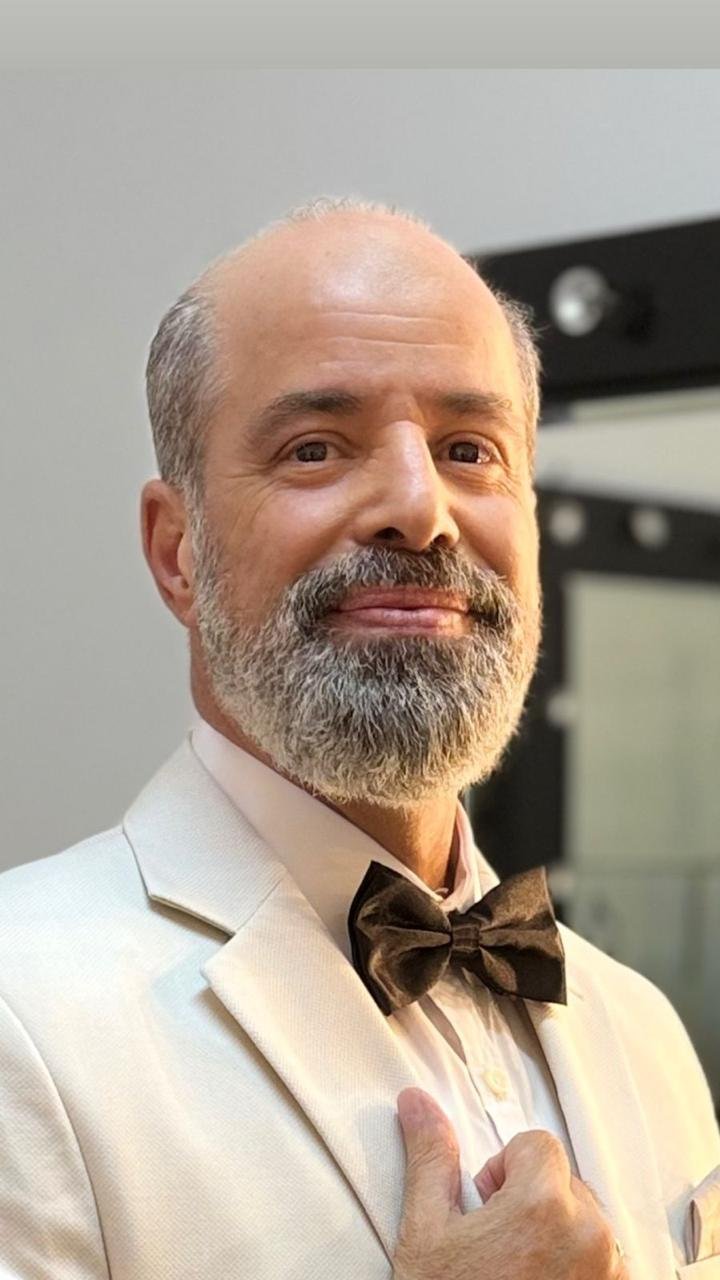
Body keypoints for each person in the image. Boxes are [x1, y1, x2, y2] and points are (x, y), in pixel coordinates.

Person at [0, 197, 718, 1280]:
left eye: (470, 449)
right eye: (315, 449)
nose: (420, 509)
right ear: (177, 550)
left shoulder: (643, 1028)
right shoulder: (21, 1017)